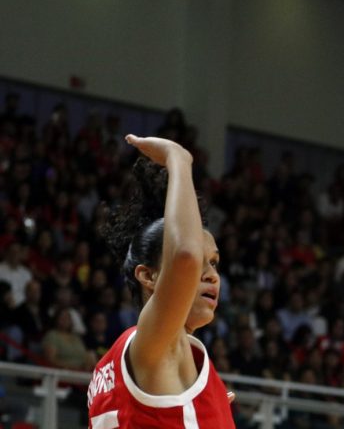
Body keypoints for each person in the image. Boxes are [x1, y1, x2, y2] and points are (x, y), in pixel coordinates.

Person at [86, 135, 235, 428]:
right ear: (148, 275)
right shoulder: (157, 343)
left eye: (214, 262)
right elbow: (184, 256)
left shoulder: (114, 364)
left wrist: (205, 410)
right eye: (200, 264)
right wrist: (178, 158)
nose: (211, 275)